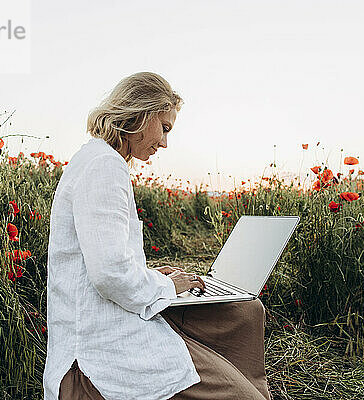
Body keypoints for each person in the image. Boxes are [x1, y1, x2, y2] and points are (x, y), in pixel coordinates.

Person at [43, 71, 272, 400]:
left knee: (244, 312)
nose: (165, 143)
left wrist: (148, 275)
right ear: (140, 113)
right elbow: (109, 275)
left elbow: (103, 260)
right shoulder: (104, 167)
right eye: (164, 128)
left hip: (116, 319)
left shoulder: (100, 160)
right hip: (102, 349)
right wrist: (167, 285)